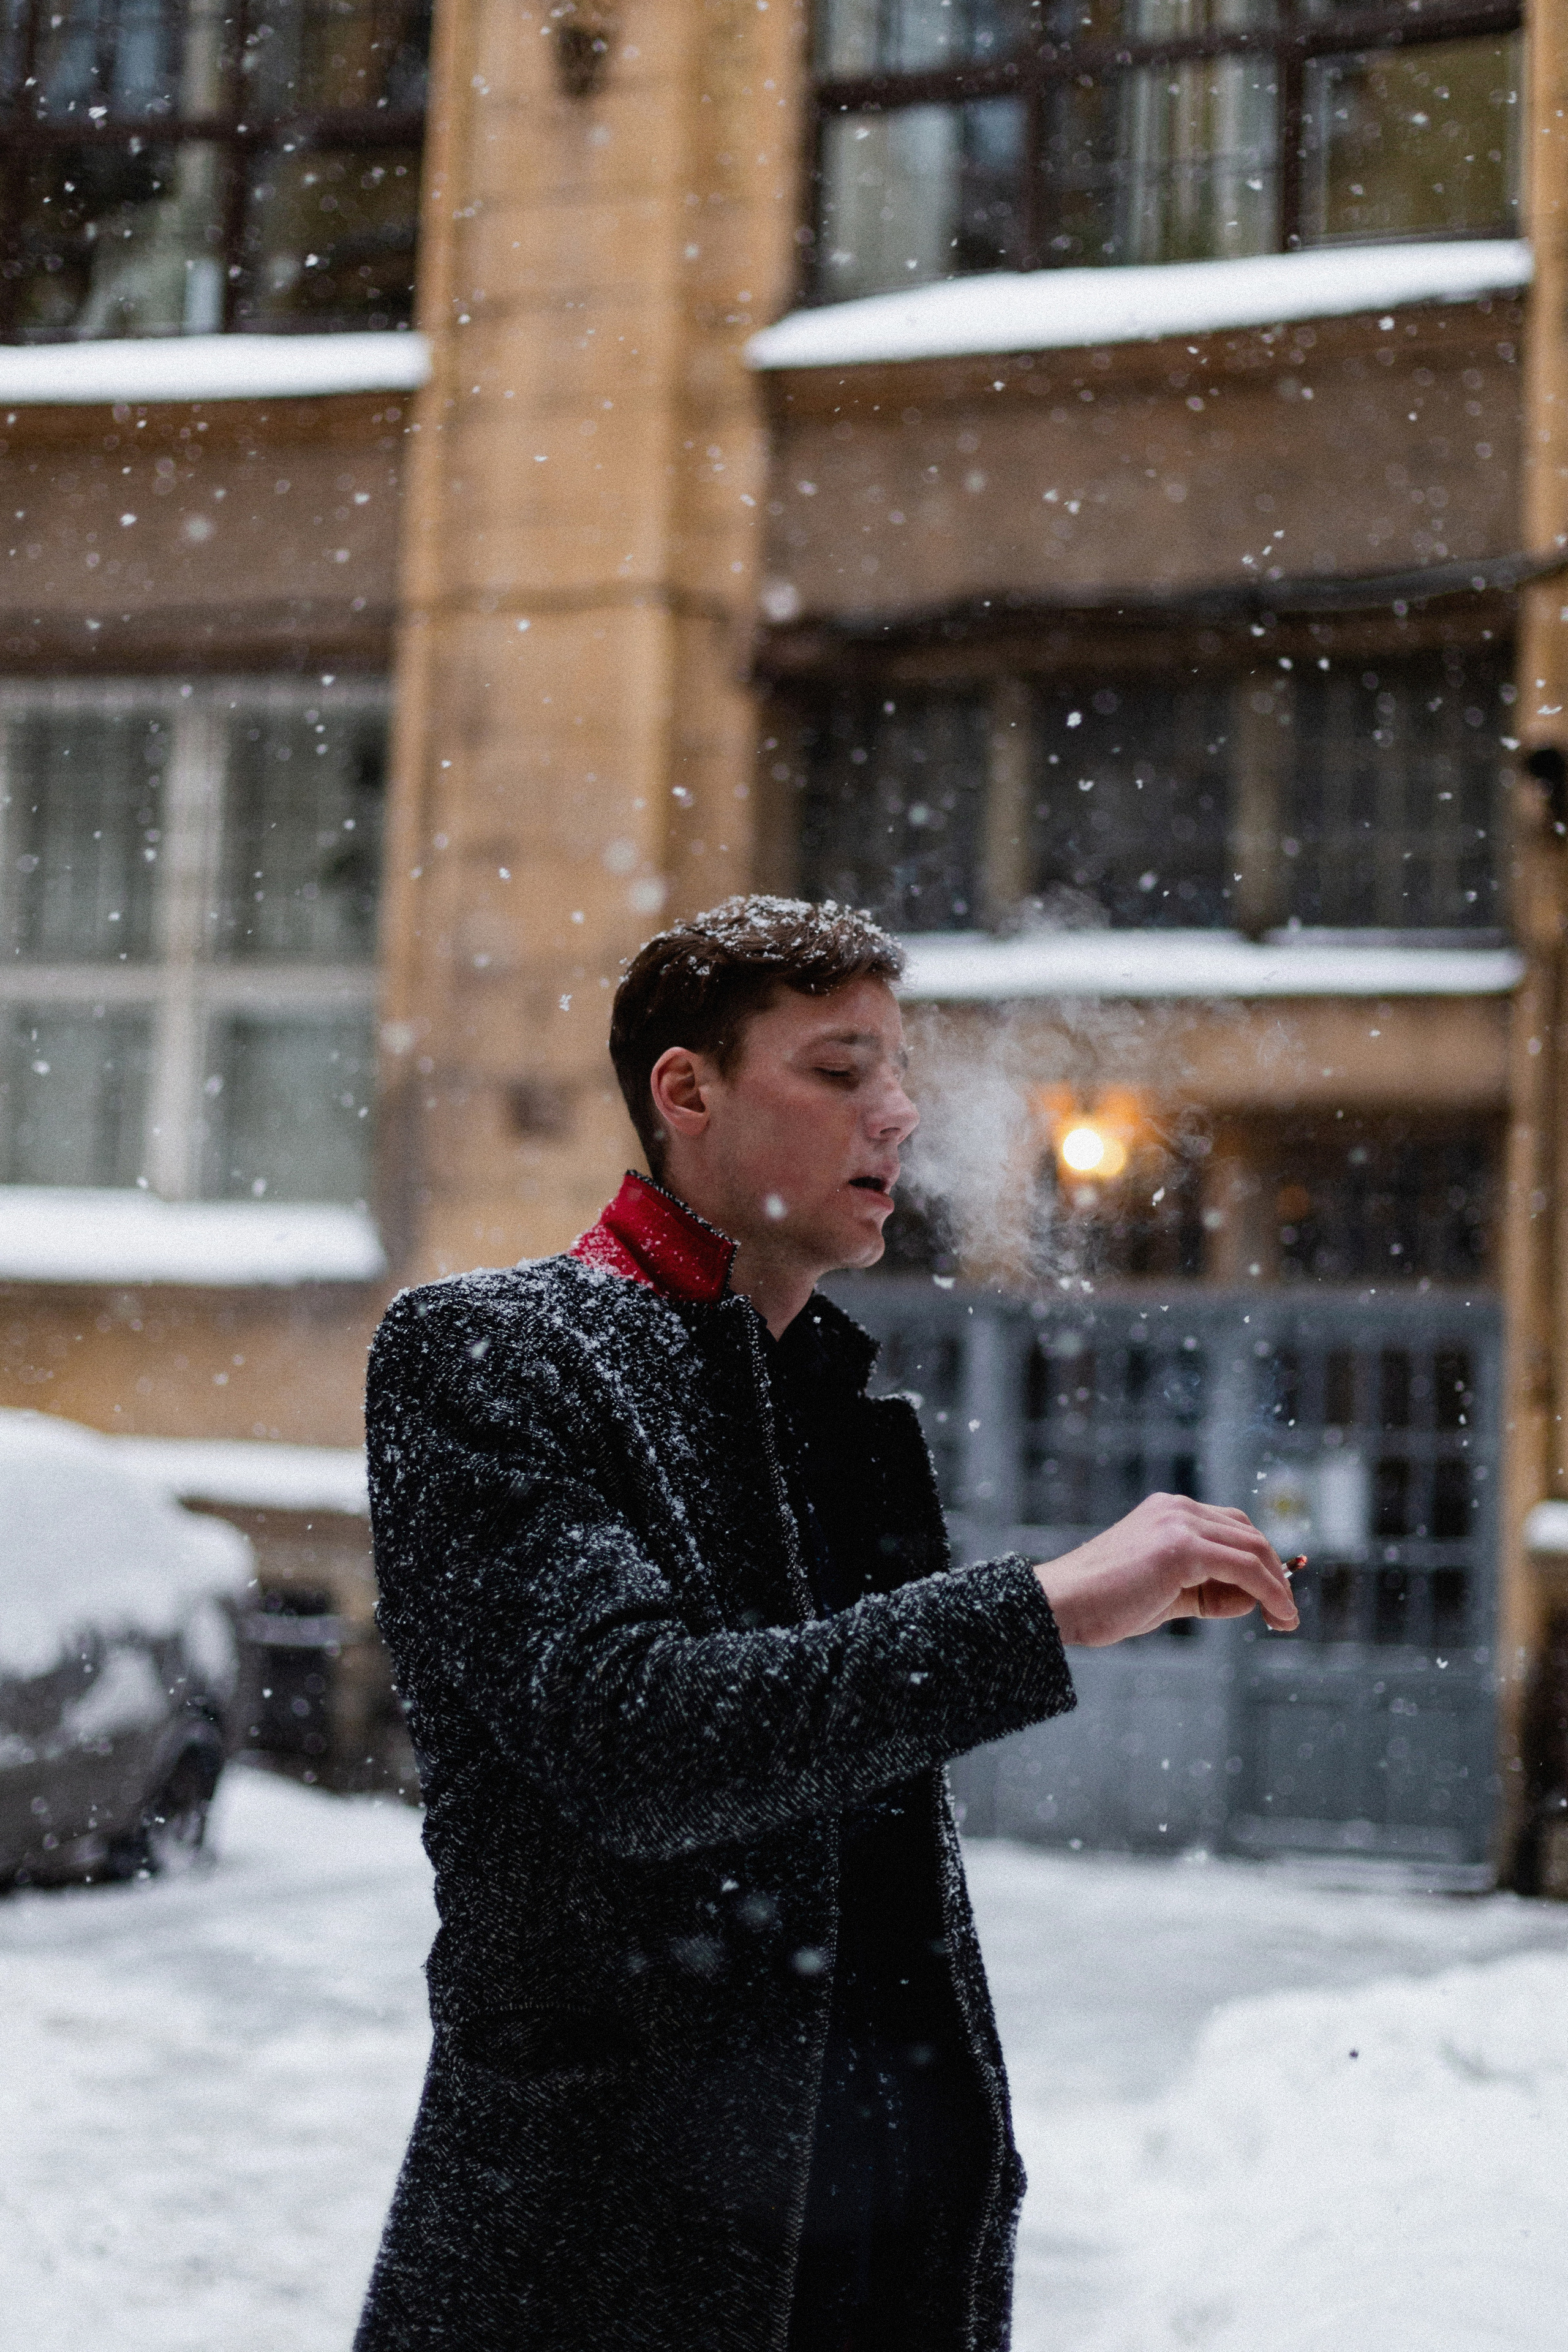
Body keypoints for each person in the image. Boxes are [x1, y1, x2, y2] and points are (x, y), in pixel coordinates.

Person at [355, 894, 1297, 2352]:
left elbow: (871, 1854)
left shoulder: (837, 1410)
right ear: (687, 1092)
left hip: (879, 2252)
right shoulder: (486, 1350)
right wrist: (1040, 1606)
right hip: (600, 2263)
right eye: (841, 1072)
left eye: (900, 1077)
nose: (897, 1116)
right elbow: (640, 1736)